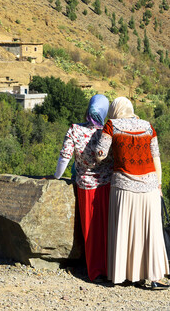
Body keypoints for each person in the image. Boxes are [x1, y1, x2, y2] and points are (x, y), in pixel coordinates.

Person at [96, 97, 170, 289]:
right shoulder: (148, 126)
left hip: (123, 186)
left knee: (125, 230)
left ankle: (124, 274)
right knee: (150, 232)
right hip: (150, 187)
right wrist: (159, 185)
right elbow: (156, 157)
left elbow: (100, 154)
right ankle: (154, 277)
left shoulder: (111, 126)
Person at [54, 94, 112, 281]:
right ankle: (111, 268)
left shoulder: (75, 130)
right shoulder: (109, 131)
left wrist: (56, 177)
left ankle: (95, 271)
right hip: (108, 187)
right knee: (107, 229)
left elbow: (65, 157)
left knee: (90, 230)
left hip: (86, 187)